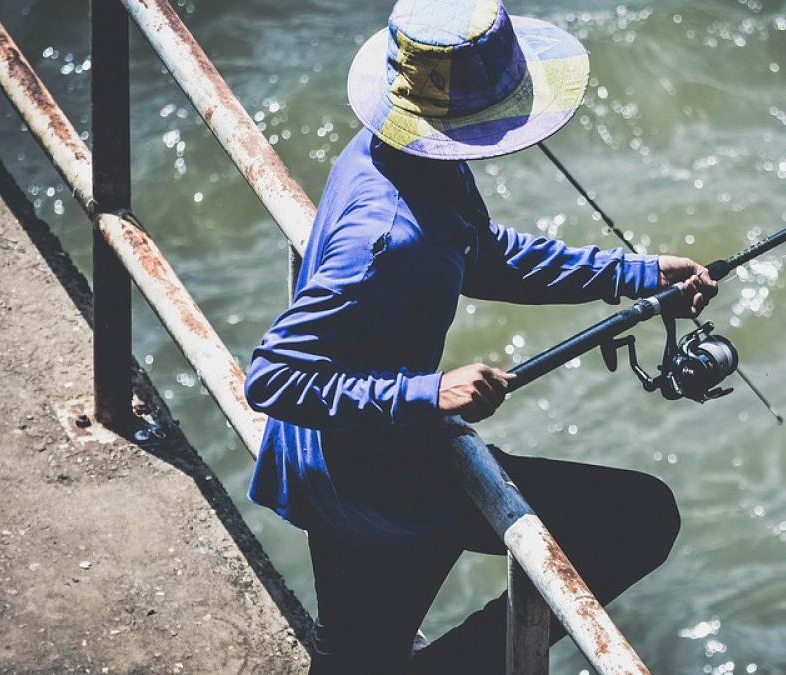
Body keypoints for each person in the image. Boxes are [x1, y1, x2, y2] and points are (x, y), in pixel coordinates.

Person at [243, 0, 718, 672]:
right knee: (641, 517)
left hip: (335, 452)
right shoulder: (385, 238)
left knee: (357, 657)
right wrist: (428, 392)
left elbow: (484, 253)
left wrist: (634, 273)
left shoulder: (405, 158)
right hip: (371, 477)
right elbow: (274, 376)